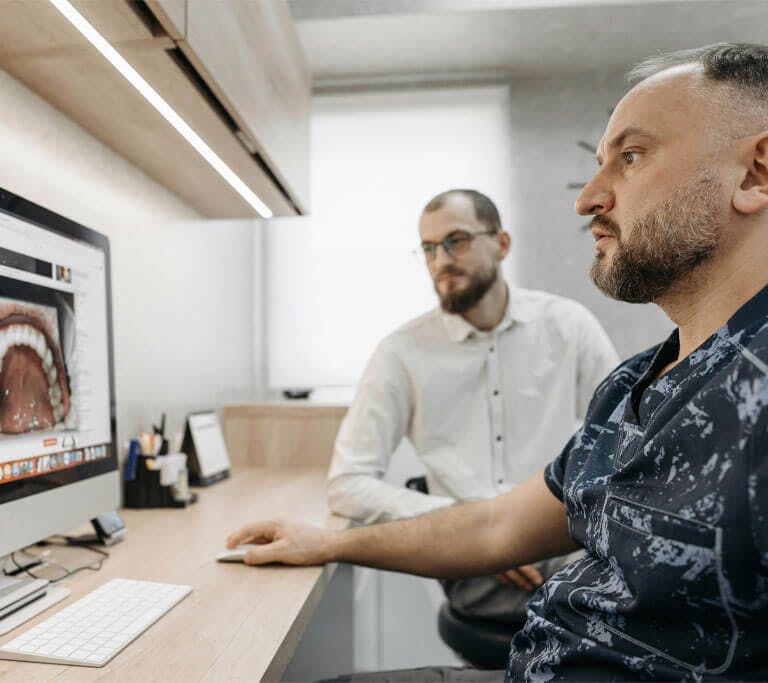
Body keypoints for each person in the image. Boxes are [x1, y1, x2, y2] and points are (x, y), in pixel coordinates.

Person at [227, 43, 768, 681]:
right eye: (428, 248)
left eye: (631, 156)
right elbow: (493, 527)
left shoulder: (740, 384)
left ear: (755, 174)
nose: (587, 199)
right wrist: (327, 542)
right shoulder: (635, 383)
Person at [326, 188, 619, 622]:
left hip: (564, 540)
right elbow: (347, 482)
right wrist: (471, 526)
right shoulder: (400, 352)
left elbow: (623, 443)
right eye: (428, 248)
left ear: (501, 244)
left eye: (456, 241)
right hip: (470, 561)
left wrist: (538, 528)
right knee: (607, 610)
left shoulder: (567, 326)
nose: (441, 260)